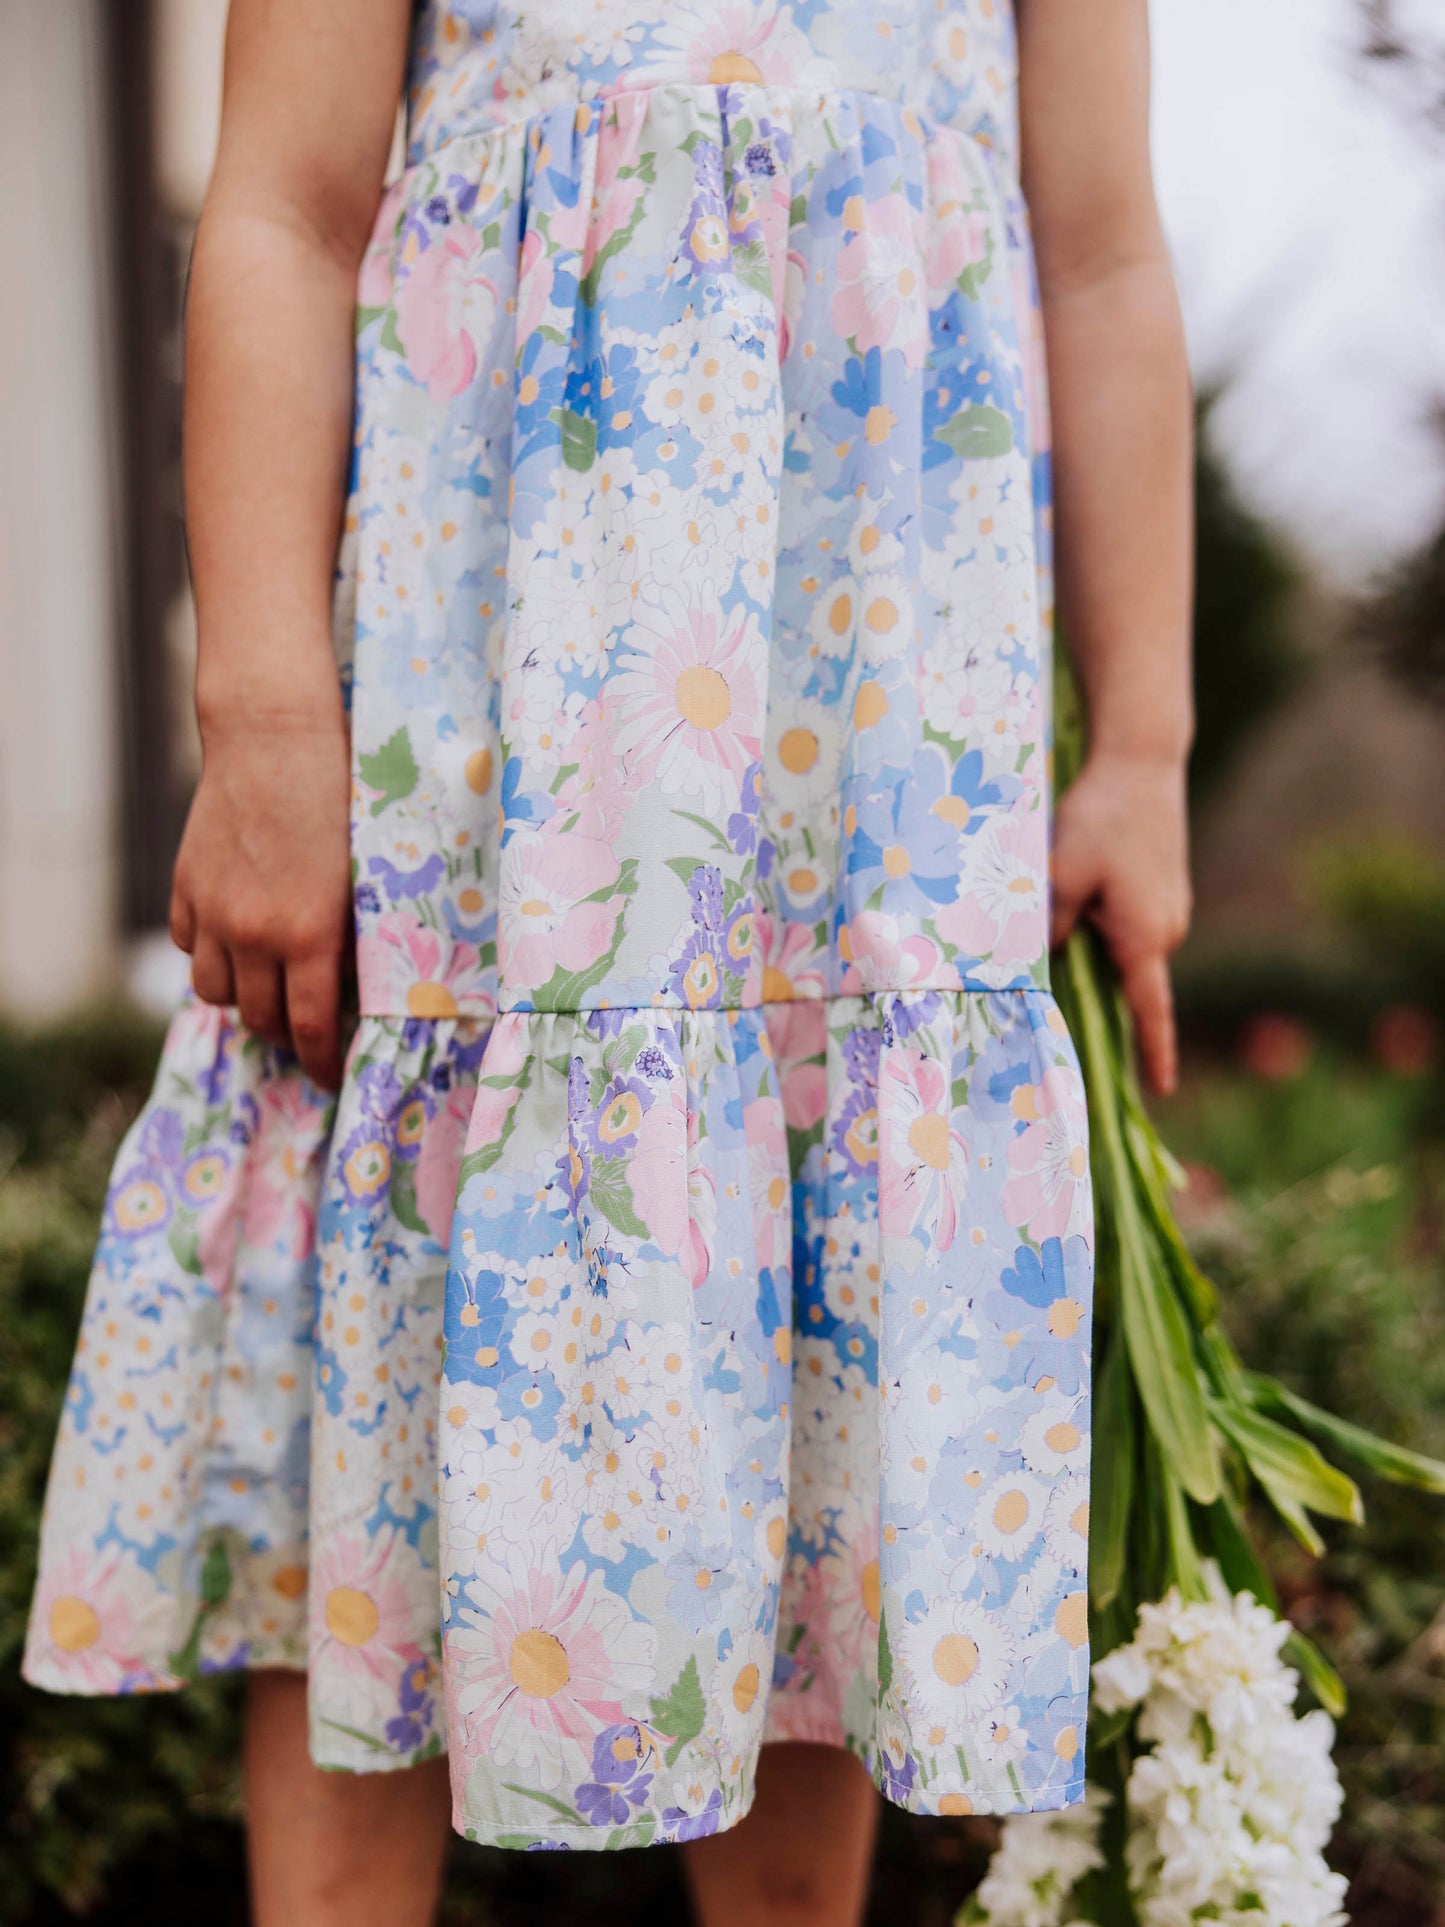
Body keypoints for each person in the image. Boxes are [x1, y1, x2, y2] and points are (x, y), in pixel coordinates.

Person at [23, 1, 1191, 1921]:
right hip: (485, 691)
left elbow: (1105, 247)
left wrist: (1139, 745)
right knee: (381, 1331)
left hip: (870, 714)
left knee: (820, 1338)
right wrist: (261, 722)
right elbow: (284, 211)